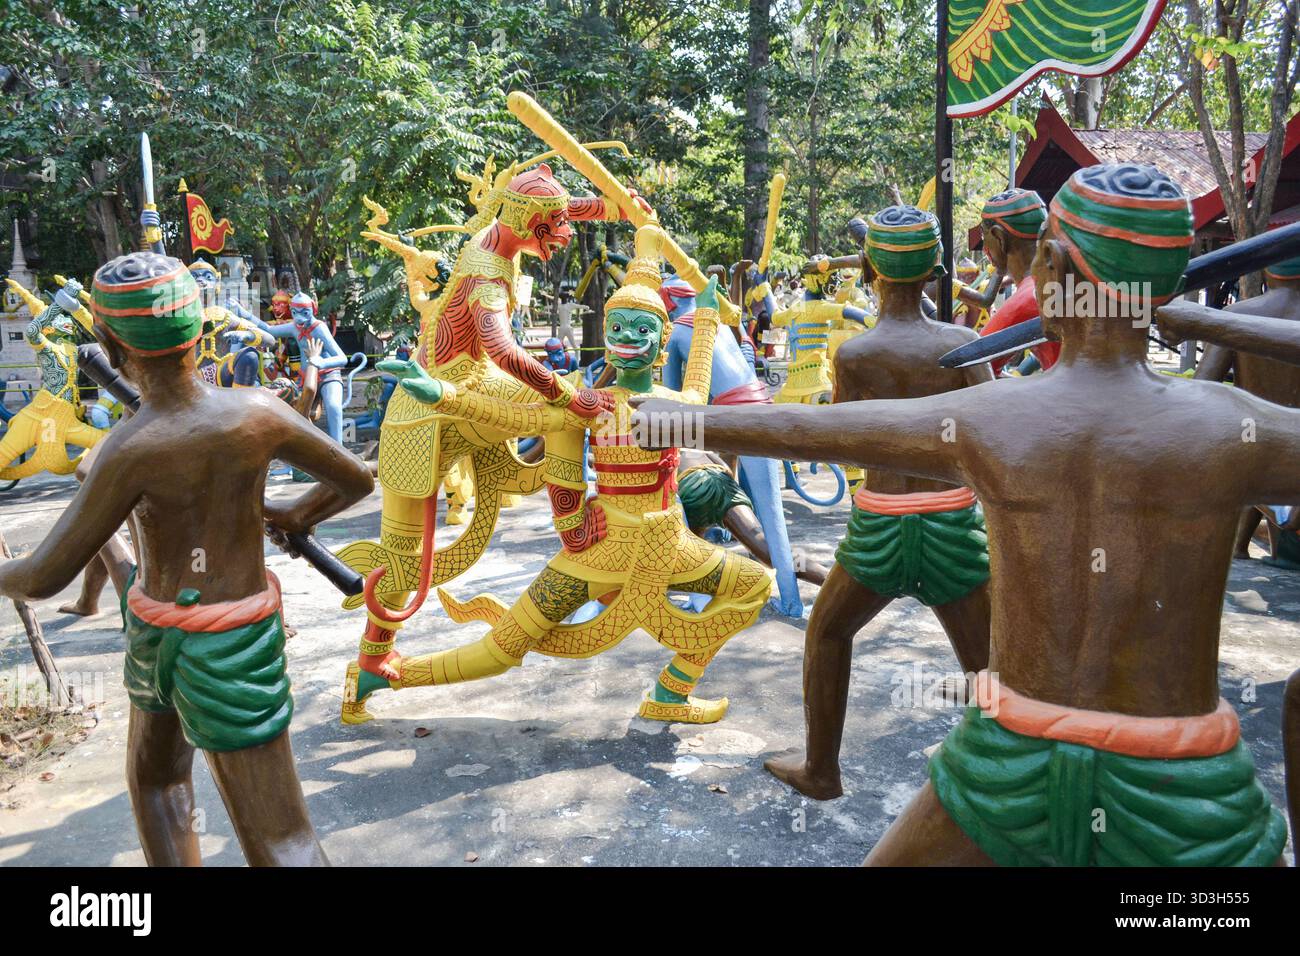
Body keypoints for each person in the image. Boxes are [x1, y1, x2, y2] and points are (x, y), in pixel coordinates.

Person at [632, 164, 1291, 866]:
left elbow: (808, 428)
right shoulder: (1231, 428)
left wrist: (689, 421)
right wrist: (1219, 323)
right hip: (1185, 791)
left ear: (1055, 263)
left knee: (846, 637)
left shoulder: (995, 418)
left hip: (1006, 765)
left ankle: (824, 764)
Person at [0, 252, 374, 866]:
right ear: (199, 333)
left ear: (110, 345)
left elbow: (42, 576)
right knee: (273, 834)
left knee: (164, 788)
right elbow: (355, 479)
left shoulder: (129, 449)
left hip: (166, 635)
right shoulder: (256, 413)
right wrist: (293, 515)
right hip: (226, 641)